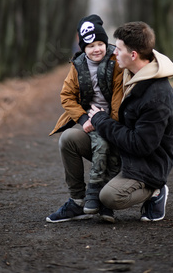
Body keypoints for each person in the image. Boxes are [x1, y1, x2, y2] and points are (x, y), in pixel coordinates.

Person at [88, 21, 173, 221]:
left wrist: (100, 120)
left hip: (148, 164)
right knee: (71, 140)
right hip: (125, 151)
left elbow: (141, 144)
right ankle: (79, 202)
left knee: (109, 197)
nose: (114, 53)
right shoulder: (131, 73)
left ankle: (156, 190)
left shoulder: (157, 96)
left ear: (133, 55)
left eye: (118, 49)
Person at [46, 14, 123, 223]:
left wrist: (109, 124)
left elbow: (118, 96)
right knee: (67, 139)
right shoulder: (77, 65)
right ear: (83, 48)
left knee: (107, 144)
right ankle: (78, 200)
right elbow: (67, 96)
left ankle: (106, 200)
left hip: (114, 124)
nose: (96, 49)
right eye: (90, 45)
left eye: (100, 43)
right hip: (90, 122)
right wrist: (83, 120)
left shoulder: (116, 61)